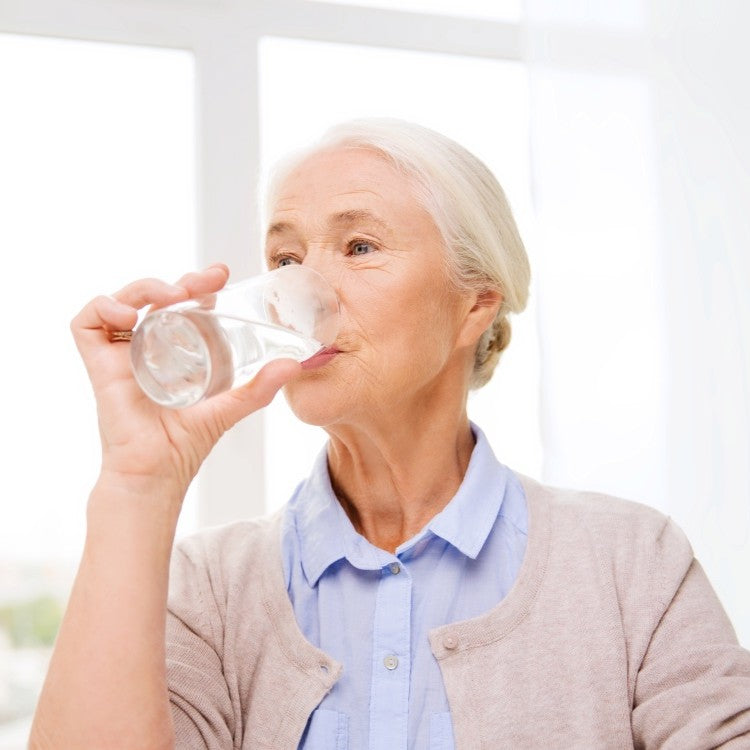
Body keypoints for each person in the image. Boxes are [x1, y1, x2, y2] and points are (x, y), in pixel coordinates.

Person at [30, 119, 750, 749]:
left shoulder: (630, 563)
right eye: (285, 259)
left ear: (474, 304)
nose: (301, 296)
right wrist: (137, 483)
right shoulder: (211, 587)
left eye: (360, 246)